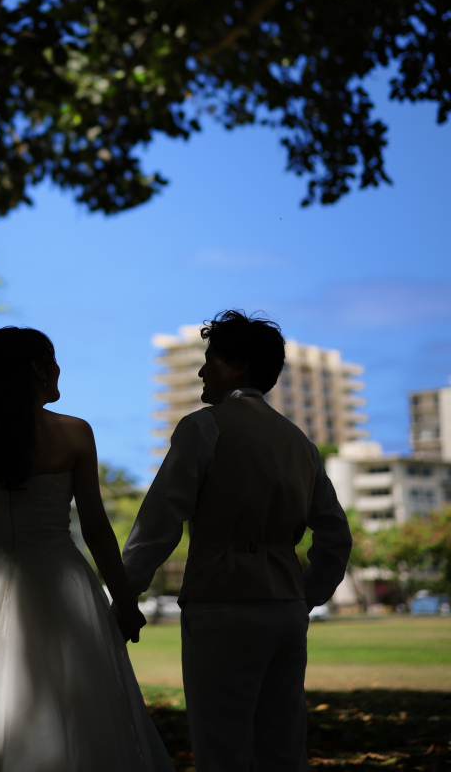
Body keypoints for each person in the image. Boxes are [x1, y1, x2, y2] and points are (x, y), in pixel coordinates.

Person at [0, 325, 174, 772]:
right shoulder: (76, 434)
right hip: (64, 581)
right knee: (81, 705)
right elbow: (95, 528)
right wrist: (125, 600)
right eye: (53, 362)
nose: (59, 371)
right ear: (38, 370)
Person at [122, 310, 353, 772]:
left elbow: (159, 525)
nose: (203, 370)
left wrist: (122, 592)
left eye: (212, 359)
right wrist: (307, 594)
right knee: (284, 747)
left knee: (222, 748)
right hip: (286, 607)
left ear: (240, 366)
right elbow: (336, 535)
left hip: (221, 603)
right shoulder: (299, 442)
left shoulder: (203, 427)